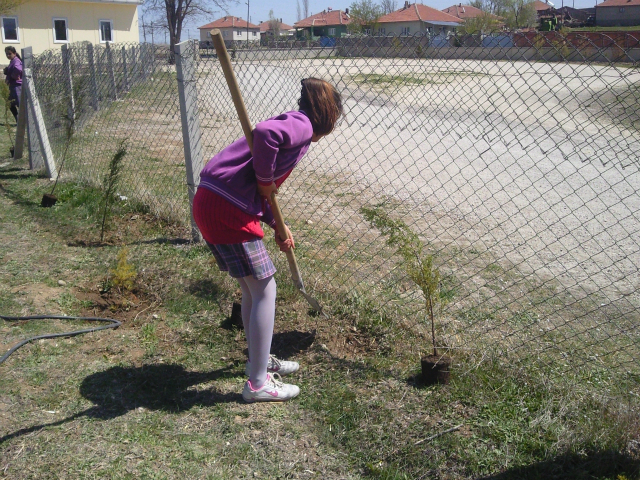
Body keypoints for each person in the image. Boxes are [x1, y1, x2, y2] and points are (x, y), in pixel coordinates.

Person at [192, 78, 343, 403]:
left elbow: (263, 195)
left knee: (253, 288)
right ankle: (258, 384)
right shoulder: (301, 125)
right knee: (265, 288)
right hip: (226, 206)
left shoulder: (297, 130)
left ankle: (257, 361)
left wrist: (277, 225)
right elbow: (265, 135)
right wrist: (264, 181)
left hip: (214, 201)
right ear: (327, 115)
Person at [4, 46, 22, 123]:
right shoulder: (12, 61)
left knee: (20, 104)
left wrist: (13, 76)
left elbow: (18, 69)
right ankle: (18, 120)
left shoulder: (16, 61)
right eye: (6, 54)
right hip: (12, 86)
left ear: (14, 53)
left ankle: (23, 122)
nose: (8, 55)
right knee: (10, 103)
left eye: (9, 54)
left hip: (17, 86)